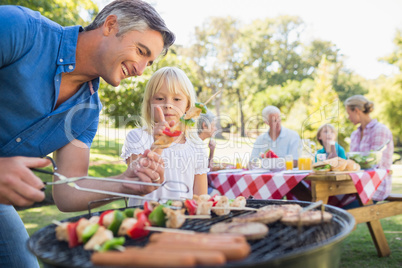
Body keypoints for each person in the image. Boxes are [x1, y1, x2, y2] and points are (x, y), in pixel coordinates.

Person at [0, 1, 175, 266]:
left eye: (148, 63)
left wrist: (127, 183)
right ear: (110, 25)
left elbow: (68, 192)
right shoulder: (20, 29)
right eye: (141, 51)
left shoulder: (88, 112)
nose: (140, 70)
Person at [121, 67, 210, 206]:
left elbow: (200, 198)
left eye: (177, 99)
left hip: (181, 222)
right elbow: (139, 184)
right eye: (160, 98)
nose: (168, 105)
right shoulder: (137, 137)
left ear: (188, 106)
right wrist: (159, 144)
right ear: (149, 103)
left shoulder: (196, 145)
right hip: (143, 220)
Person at [345, 95, 394, 202]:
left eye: (349, 113)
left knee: (336, 209)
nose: (348, 117)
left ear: (357, 111)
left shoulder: (380, 130)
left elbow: (375, 163)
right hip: (355, 184)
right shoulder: (355, 134)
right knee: (328, 202)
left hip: (376, 185)